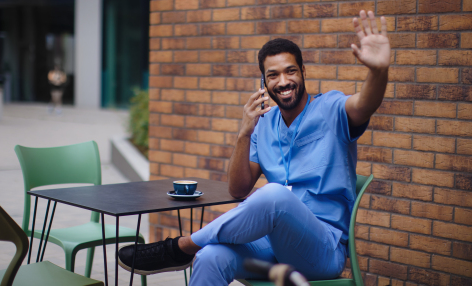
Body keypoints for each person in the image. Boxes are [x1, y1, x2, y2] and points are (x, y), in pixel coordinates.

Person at [118, 10, 390, 285]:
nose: (283, 82)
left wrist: (378, 71)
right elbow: (238, 190)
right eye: (273, 75)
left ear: (303, 72)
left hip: (321, 251)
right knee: (210, 257)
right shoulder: (265, 123)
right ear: (264, 82)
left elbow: (364, 103)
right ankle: (194, 249)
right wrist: (244, 133)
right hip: (272, 246)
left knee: (273, 195)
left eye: (290, 71)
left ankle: (181, 247)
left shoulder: (331, 108)